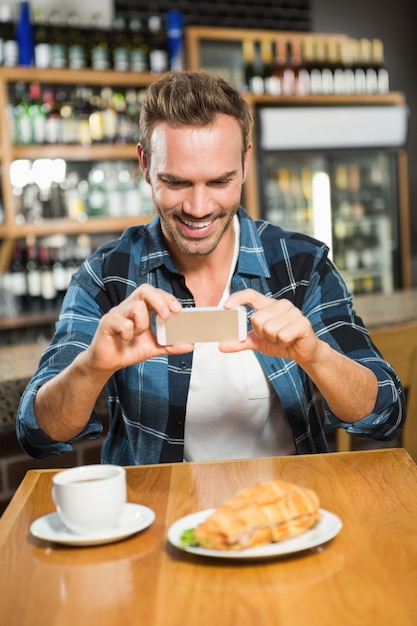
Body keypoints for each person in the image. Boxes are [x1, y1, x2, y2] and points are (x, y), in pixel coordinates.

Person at [16, 70, 405, 464]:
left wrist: (316, 355)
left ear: (245, 162)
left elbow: (384, 412)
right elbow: (37, 432)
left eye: (220, 181)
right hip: (159, 516)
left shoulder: (300, 264)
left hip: (285, 513)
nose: (198, 208)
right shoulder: (106, 275)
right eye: (177, 182)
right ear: (145, 165)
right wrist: (91, 368)